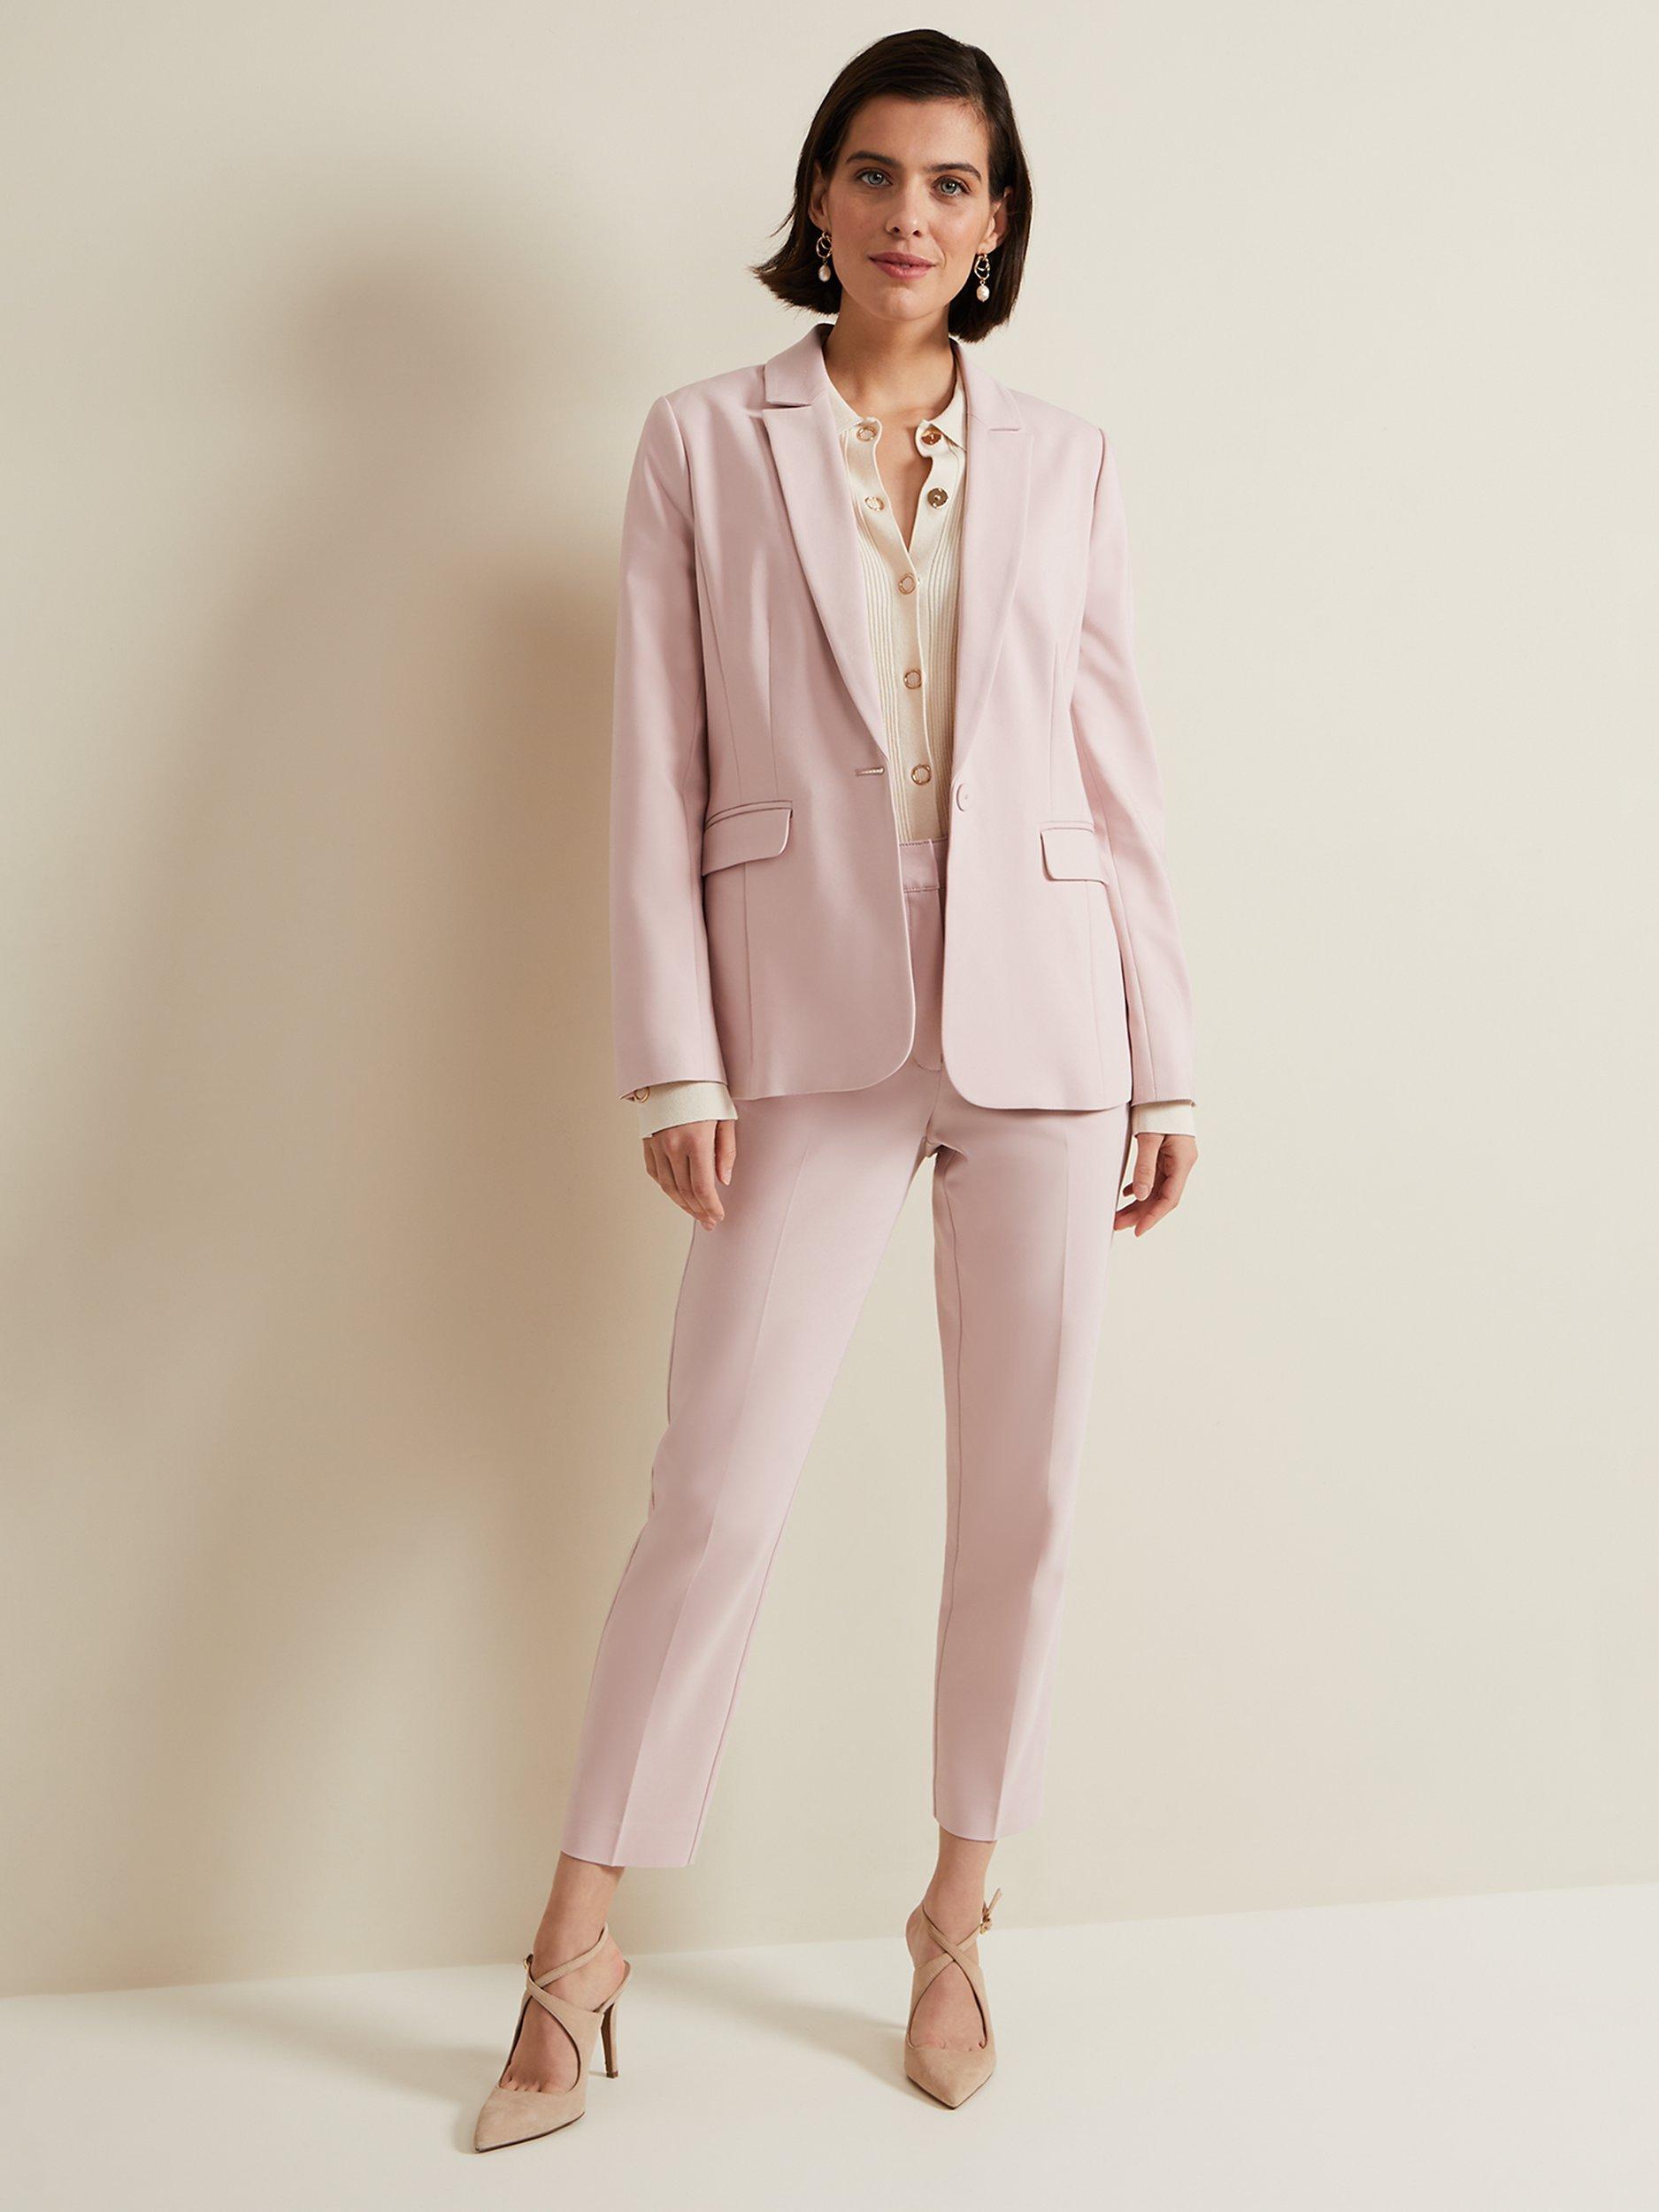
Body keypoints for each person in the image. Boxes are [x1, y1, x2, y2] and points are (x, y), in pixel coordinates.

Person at [474, 27, 1198, 2149]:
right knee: (713, 1485)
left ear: (995, 221)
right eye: (873, 173)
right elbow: (655, 765)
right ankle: (574, 1945)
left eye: (949, 183)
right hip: (798, 1020)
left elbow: (1116, 772)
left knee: (1023, 1493)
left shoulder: (1067, 460)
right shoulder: (702, 443)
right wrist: (673, 1053)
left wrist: (1164, 1054)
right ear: (818, 198)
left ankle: (956, 1915)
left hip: (1047, 1018)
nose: (907, 214)